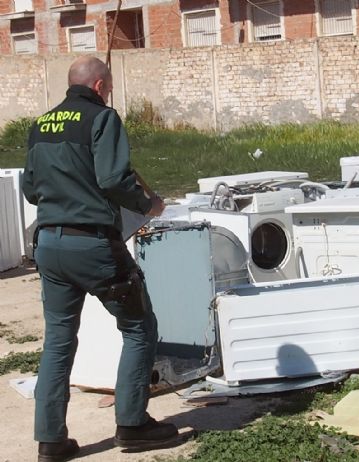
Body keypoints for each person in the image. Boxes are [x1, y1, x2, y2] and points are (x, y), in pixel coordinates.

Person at [23, 56, 177, 462]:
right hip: (92, 246)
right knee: (139, 327)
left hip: (50, 247)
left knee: (58, 341)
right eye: (107, 87)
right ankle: (133, 425)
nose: (108, 93)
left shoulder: (40, 125)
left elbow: (30, 190)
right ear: (97, 86)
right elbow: (112, 179)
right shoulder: (102, 118)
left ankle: (50, 441)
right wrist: (149, 204)